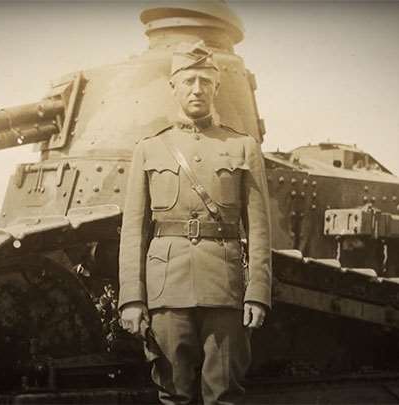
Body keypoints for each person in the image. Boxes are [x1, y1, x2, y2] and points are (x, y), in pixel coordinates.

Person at [118, 40, 272, 405]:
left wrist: (258, 293)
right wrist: (131, 298)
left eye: (205, 80)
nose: (197, 89)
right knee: (173, 392)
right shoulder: (149, 149)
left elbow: (261, 228)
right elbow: (132, 232)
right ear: (174, 87)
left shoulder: (242, 147)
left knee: (225, 394)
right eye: (188, 80)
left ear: (217, 87)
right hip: (166, 289)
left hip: (224, 287)